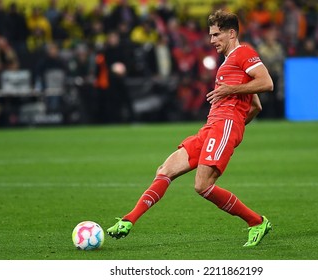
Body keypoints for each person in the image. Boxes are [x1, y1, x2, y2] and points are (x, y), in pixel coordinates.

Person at [107, 9, 274, 247]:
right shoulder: (229, 63)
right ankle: (128, 220)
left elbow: (267, 83)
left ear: (232, 33)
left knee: (202, 185)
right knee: (165, 169)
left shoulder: (243, 52)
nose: (212, 40)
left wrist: (231, 112)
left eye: (216, 35)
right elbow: (255, 104)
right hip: (212, 127)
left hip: (223, 125)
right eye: (210, 35)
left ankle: (256, 222)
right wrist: (237, 118)